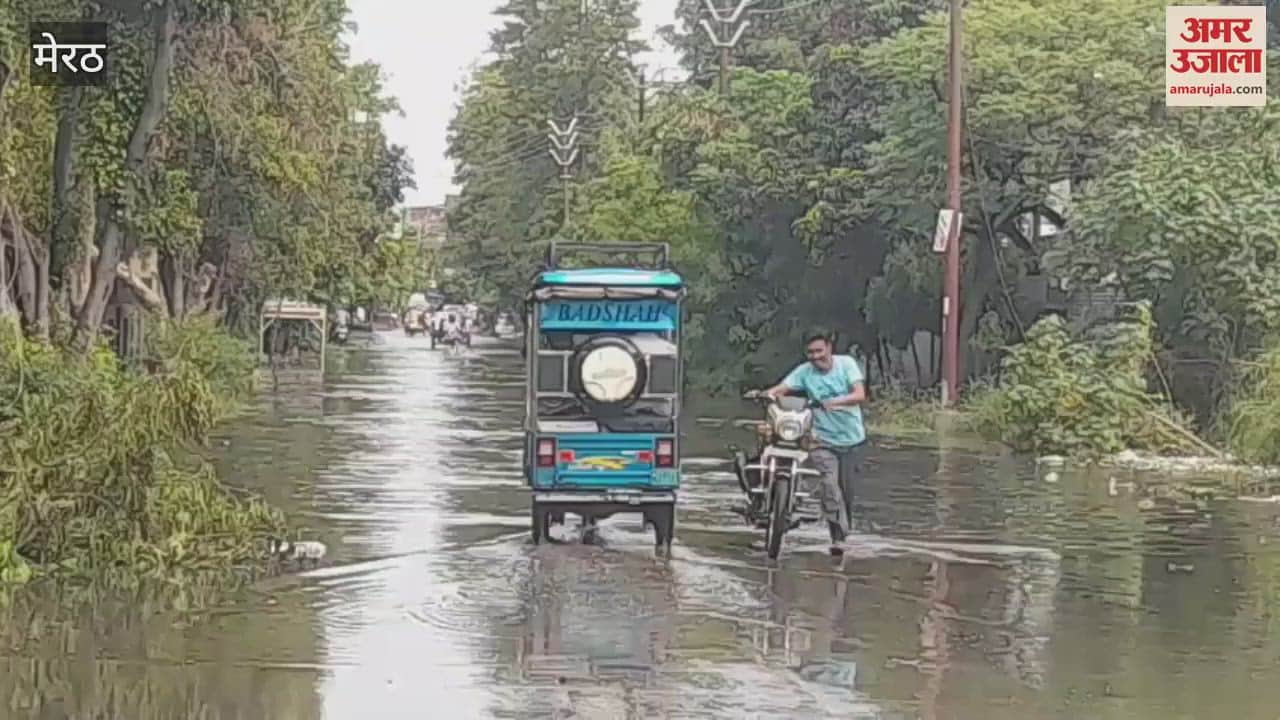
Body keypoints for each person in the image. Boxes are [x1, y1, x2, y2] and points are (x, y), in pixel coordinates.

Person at [764, 331, 868, 554]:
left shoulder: (846, 365)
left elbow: (860, 394)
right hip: (821, 440)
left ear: (829, 348)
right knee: (830, 486)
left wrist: (834, 402)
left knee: (846, 493)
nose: (815, 356)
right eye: (810, 352)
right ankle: (838, 539)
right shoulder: (804, 372)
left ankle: (840, 534)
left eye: (819, 351)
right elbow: (783, 387)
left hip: (852, 439)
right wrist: (769, 394)